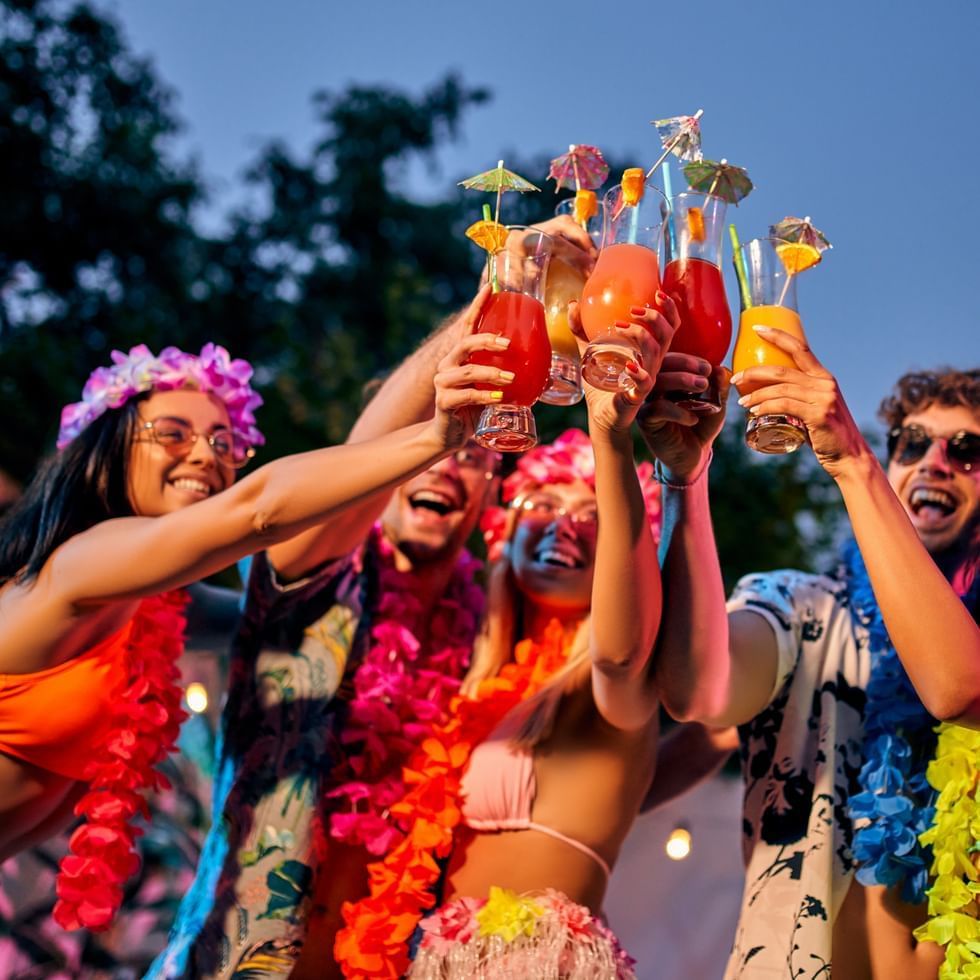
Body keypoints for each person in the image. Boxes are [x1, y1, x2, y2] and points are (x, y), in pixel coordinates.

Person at [149, 217, 605, 980]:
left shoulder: (489, 640)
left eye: (474, 450)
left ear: (491, 486)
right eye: (434, 435)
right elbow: (366, 449)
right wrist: (496, 301)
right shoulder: (314, 568)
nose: (447, 460)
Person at [0, 331, 507, 931]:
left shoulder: (152, 604)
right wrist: (432, 438)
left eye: (223, 440)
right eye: (172, 433)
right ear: (105, 443)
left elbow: (281, 599)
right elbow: (258, 512)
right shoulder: (76, 565)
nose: (206, 455)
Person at [334, 299, 676, 978]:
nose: (564, 527)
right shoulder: (480, 683)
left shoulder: (616, 681)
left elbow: (616, 645)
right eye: (543, 505)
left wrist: (610, 434)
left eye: (593, 515)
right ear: (502, 537)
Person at [640, 329, 980, 978]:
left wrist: (854, 458)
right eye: (911, 444)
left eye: (966, 451)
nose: (934, 461)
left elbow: (959, 688)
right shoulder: (805, 609)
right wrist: (684, 482)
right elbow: (699, 689)